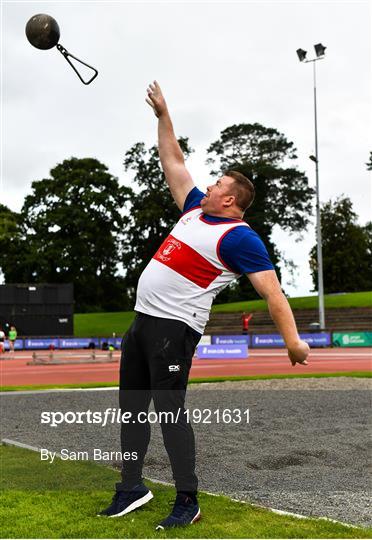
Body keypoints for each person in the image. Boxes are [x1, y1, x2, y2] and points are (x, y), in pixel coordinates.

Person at [99, 81, 310, 529]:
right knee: (133, 406)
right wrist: (163, 115)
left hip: (174, 330)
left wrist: (293, 341)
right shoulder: (195, 210)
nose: (208, 183)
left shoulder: (240, 237)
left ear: (230, 199)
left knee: (170, 410)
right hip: (142, 323)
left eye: (217, 182)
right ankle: (132, 487)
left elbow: (272, 292)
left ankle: (187, 501)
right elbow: (172, 159)